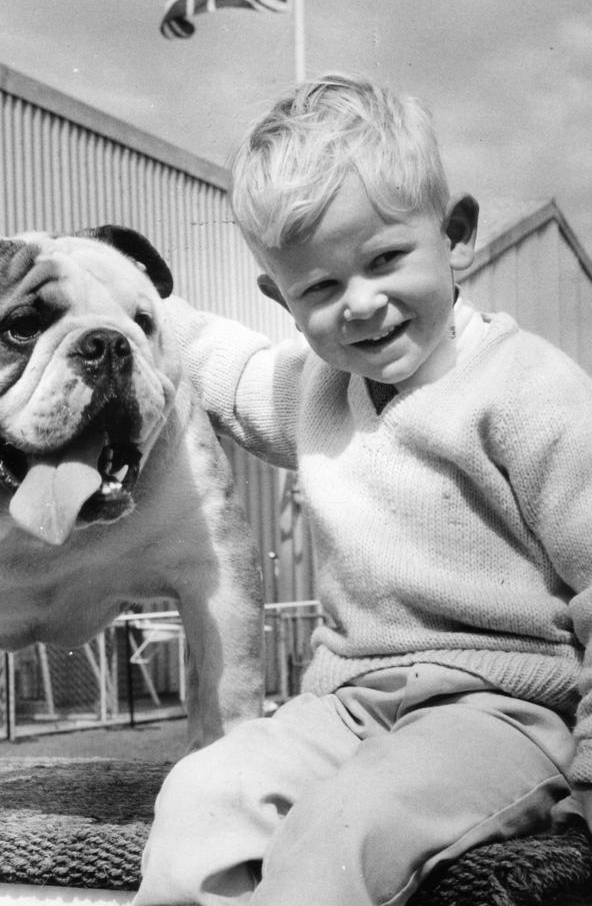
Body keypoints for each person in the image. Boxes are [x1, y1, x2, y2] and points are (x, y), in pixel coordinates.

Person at [132, 72, 592, 906]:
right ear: (281, 297)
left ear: (455, 236)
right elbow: (223, 366)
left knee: (337, 837)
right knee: (198, 798)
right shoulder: (315, 389)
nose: (362, 304)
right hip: (344, 706)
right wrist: (124, 300)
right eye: (320, 288)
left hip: (498, 715)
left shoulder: (530, 392)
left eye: (385, 259)